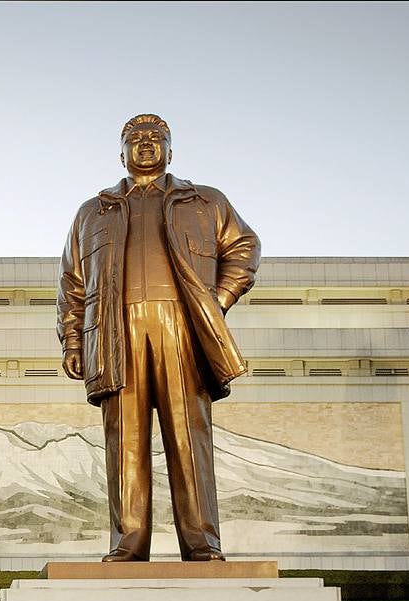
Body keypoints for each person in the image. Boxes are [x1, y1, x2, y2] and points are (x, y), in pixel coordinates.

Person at [57, 113, 260, 562]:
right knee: (125, 441)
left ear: (170, 149)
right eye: (135, 139)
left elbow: (244, 247)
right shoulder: (93, 211)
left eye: (156, 139)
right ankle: (128, 543)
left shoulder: (204, 200)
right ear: (121, 151)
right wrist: (73, 343)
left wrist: (215, 301)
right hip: (115, 332)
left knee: (189, 435)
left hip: (180, 326)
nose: (146, 145)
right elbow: (72, 283)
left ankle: (202, 543)